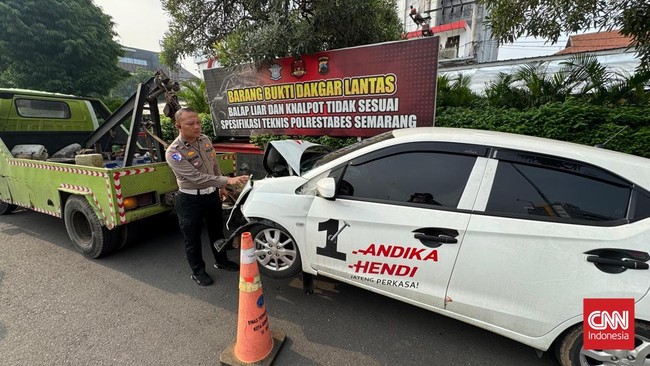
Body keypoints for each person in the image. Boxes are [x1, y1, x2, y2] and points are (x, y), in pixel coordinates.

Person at [165, 107, 249, 286]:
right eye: (190, 123)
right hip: (190, 200)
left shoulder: (205, 140)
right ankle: (198, 271)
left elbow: (214, 164)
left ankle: (221, 261)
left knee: (217, 231)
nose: (196, 127)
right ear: (178, 126)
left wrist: (222, 187)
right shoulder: (174, 152)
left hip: (211, 195)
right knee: (192, 238)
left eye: (198, 122)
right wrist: (229, 180)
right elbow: (197, 177)